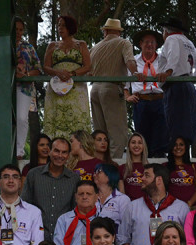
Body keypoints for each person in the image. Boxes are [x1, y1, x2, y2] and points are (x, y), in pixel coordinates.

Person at [118, 163, 190, 245]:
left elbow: (187, 240)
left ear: (159, 180)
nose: (142, 179)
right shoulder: (133, 206)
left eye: (146, 175)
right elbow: (122, 237)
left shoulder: (181, 208)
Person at [0, 17, 43, 159]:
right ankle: (2, 149)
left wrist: (26, 74)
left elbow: (38, 68)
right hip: (4, 87)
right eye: (15, 29)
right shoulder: (0, 46)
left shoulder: (28, 47)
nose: (18, 32)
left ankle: (19, 151)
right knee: (2, 118)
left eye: (20, 29)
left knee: (22, 118)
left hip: (24, 87)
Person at [89, 19, 140, 159]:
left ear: (105, 31)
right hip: (112, 87)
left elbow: (88, 71)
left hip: (94, 89)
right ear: (118, 31)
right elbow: (129, 61)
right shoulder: (123, 43)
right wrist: (136, 73)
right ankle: (112, 166)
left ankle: (99, 164)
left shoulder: (95, 47)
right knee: (118, 135)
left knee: (100, 133)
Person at [158, 17, 196, 151]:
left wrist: (168, 71)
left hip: (175, 86)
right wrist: (190, 78)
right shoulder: (188, 43)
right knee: (187, 125)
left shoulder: (172, 39)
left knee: (174, 125)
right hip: (188, 86)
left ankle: (175, 159)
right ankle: (185, 157)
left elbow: (173, 55)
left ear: (166, 31)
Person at [42, 15, 91, 140]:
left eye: (63, 25)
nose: (60, 28)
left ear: (70, 27)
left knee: (77, 117)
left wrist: (73, 74)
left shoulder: (81, 45)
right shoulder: (52, 45)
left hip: (76, 88)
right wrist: (57, 72)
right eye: (58, 25)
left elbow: (88, 66)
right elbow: (46, 67)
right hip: (56, 88)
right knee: (56, 118)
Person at [23, 137, 80, 241]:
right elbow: (26, 206)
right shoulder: (34, 174)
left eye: (64, 152)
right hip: (37, 237)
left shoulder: (74, 179)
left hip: (64, 238)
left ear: (68, 155)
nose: (60, 156)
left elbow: (75, 210)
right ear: (49, 151)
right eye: (56, 151)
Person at [125, 29, 169, 159]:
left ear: (156, 45)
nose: (149, 45)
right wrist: (128, 97)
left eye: (152, 42)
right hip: (141, 101)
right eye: (147, 42)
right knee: (142, 135)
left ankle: (160, 162)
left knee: (161, 134)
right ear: (140, 44)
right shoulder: (133, 61)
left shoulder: (163, 60)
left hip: (160, 99)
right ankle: (143, 161)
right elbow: (125, 84)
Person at [54, 180, 99, 245]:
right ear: (75, 197)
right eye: (81, 194)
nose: (84, 197)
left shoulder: (103, 219)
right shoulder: (64, 219)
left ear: (96, 197)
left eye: (89, 194)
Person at [165, 136, 196, 205]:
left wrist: (189, 204)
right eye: (175, 145)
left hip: (192, 208)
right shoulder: (164, 166)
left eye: (181, 144)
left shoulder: (194, 166)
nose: (178, 147)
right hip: (171, 208)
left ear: (186, 147)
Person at [94, 163, 130, 228]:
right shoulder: (91, 197)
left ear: (109, 175)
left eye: (98, 172)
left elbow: (126, 226)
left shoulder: (122, 199)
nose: (94, 175)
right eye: (94, 172)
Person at [118, 132, 150, 200]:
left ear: (143, 146)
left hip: (146, 206)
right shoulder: (122, 168)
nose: (136, 145)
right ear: (129, 146)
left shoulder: (150, 168)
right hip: (129, 206)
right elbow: (121, 194)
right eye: (133, 142)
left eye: (140, 143)